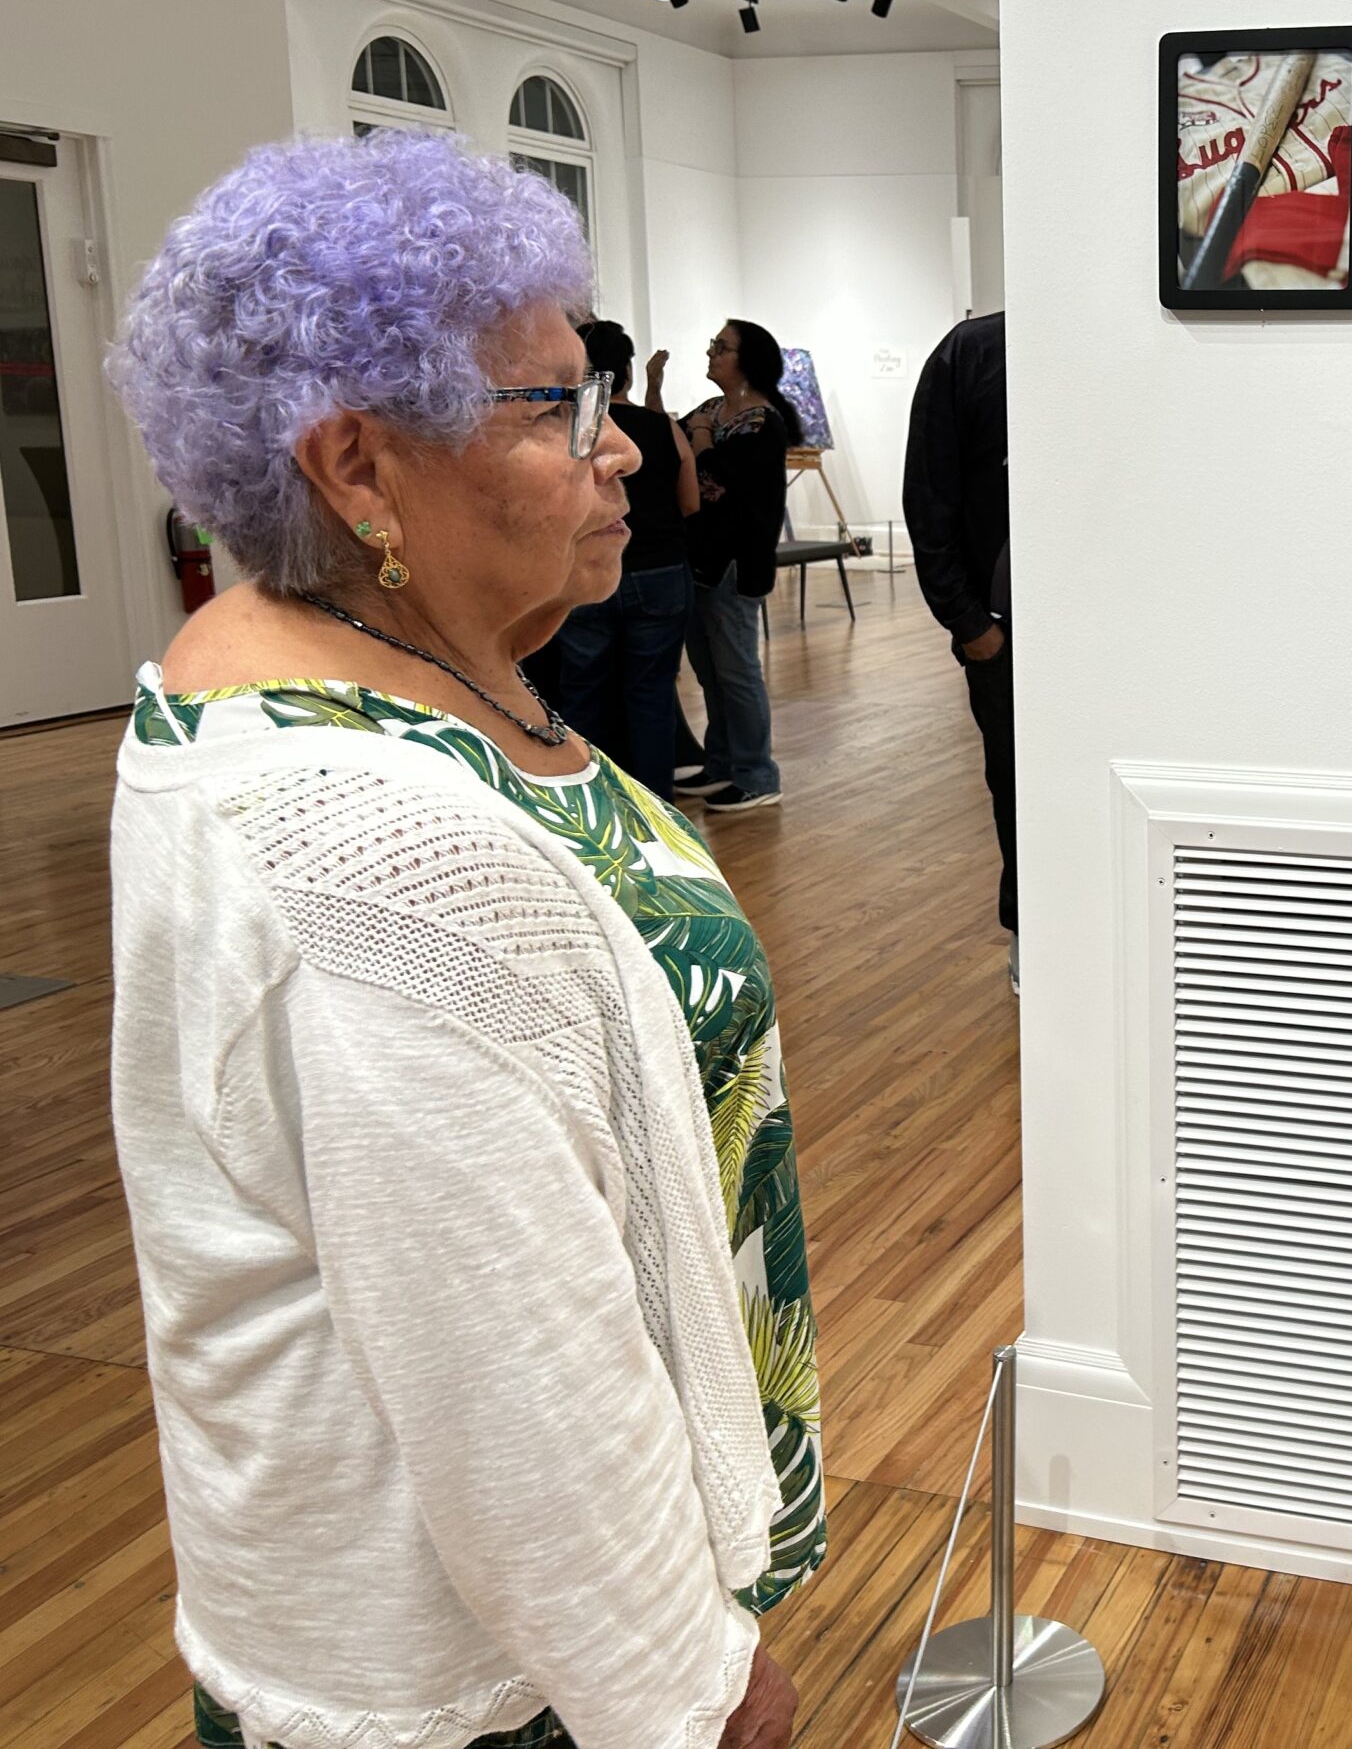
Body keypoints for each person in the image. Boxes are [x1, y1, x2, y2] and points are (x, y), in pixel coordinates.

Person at [103, 131, 823, 1749]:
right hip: (503, 1686)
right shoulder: (369, 845)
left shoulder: (309, 674)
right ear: (359, 472)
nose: (621, 447)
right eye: (556, 406)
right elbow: (518, 1378)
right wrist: (685, 1690)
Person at [902, 311, 1013, 987]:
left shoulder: (1117, 333)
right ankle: (1031, 928)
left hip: (1114, 633)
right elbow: (930, 495)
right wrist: (972, 625)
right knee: (1015, 782)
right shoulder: (972, 352)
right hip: (1005, 634)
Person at [545, 320, 699, 796]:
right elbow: (690, 502)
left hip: (592, 568)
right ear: (628, 369)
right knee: (651, 695)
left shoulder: (574, 429)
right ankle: (656, 809)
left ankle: (593, 804)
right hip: (660, 572)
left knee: (584, 693)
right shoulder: (661, 427)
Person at [664, 319, 797, 813]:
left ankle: (757, 774)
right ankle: (722, 764)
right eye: (713, 345)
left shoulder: (762, 421)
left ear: (747, 359)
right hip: (700, 558)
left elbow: (716, 480)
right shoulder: (712, 411)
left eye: (721, 347)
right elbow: (666, 446)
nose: (711, 353)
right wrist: (656, 391)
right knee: (710, 671)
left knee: (737, 670)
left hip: (735, 563)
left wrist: (699, 438)